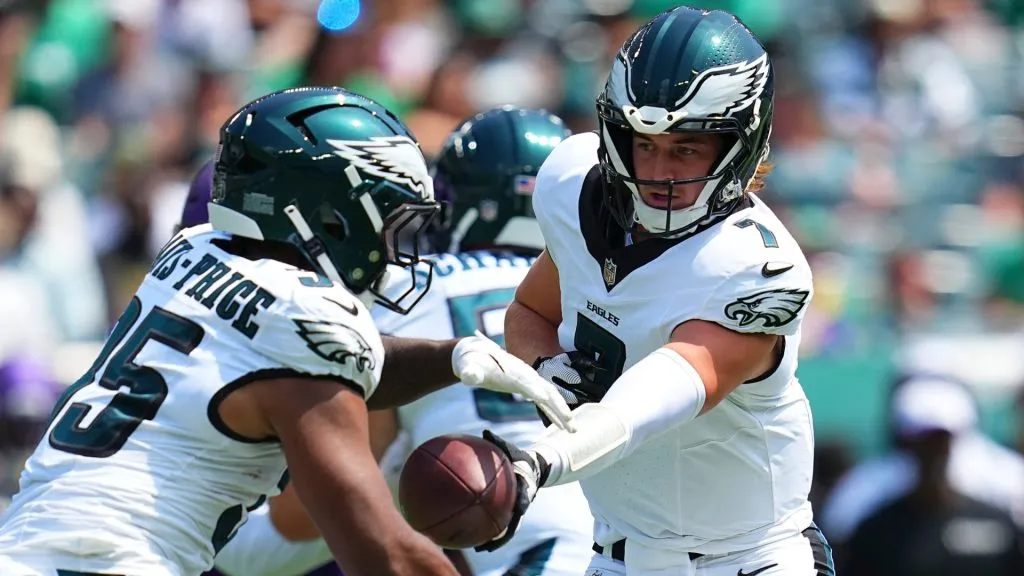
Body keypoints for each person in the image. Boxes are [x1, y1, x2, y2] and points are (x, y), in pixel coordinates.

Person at [0, 87, 571, 576]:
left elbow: (301, 367)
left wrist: (451, 357)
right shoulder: (306, 319)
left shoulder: (192, 251)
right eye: (385, 219)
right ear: (327, 213)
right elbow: (379, 552)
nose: (396, 253)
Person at [479, 7, 835, 575]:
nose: (660, 171)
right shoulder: (575, 189)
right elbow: (528, 310)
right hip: (614, 557)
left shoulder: (757, 265)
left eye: (687, 148)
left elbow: (664, 391)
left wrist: (542, 458)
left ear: (740, 146)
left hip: (747, 562)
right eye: (644, 144)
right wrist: (545, 369)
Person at [843, 376, 1024, 575]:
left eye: (941, 440)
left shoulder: (997, 518)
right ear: (907, 445)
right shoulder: (873, 527)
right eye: (924, 441)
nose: (934, 451)